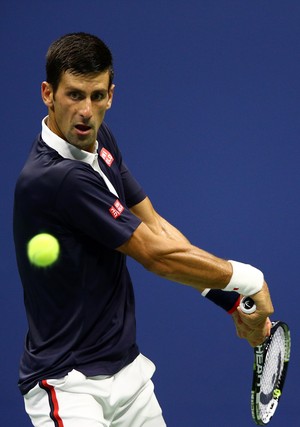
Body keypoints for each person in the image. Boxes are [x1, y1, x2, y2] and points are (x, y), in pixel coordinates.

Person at [13, 32, 273, 427]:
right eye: (74, 95)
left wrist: (230, 301)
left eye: (97, 96)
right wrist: (249, 280)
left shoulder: (99, 140)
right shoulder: (56, 178)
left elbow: (156, 228)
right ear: (47, 93)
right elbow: (153, 255)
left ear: (111, 95)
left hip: (127, 374)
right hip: (68, 385)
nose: (86, 111)